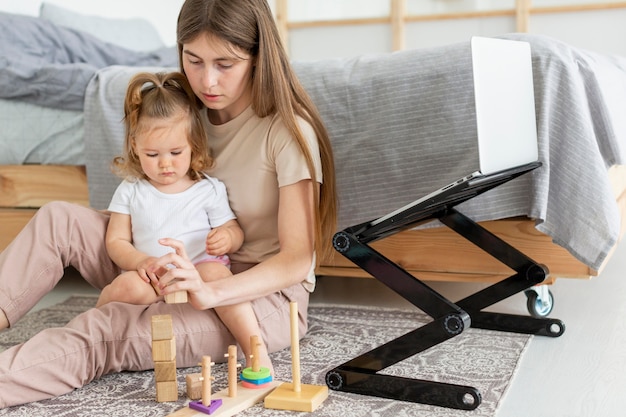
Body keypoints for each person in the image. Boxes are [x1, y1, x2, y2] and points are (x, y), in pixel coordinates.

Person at [0, 0, 336, 408]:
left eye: (225, 64)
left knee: (109, 329)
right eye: (193, 60)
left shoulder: (286, 130)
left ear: (257, 56)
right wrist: (146, 262)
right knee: (58, 219)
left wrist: (213, 292)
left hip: (252, 296)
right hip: (168, 263)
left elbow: (298, 259)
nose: (207, 81)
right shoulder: (185, 111)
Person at [95, 71, 272, 372]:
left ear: (193, 145)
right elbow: (116, 241)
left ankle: (257, 355)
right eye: (153, 154)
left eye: (176, 152)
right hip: (153, 278)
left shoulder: (207, 188)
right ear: (135, 147)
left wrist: (227, 238)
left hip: (201, 272)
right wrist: (141, 261)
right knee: (124, 287)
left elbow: (233, 230)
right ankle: (92, 338)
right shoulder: (131, 190)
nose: (165, 164)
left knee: (221, 278)